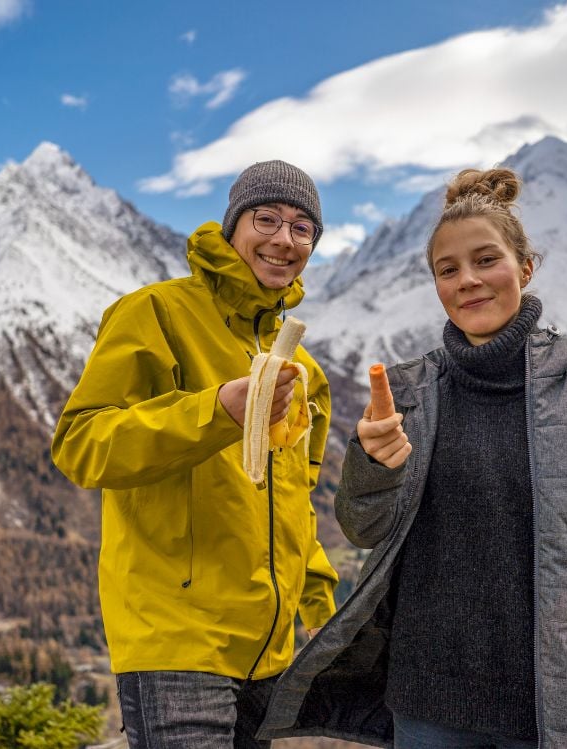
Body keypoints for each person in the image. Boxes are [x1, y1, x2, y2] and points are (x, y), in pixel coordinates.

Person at [259, 167, 567, 748]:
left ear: (525, 267)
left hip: (556, 710)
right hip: (425, 711)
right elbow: (362, 528)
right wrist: (374, 464)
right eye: (448, 269)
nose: (469, 281)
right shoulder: (409, 393)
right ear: (435, 283)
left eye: (487, 260)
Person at [51, 160, 339, 749]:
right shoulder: (155, 313)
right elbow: (82, 445)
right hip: (178, 640)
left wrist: (318, 608)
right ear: (233, 226)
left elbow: (296, 503)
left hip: (269, 651)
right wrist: (218, 411)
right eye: (267, 219)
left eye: (302, 228)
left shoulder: (304, 370)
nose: (284, 239)